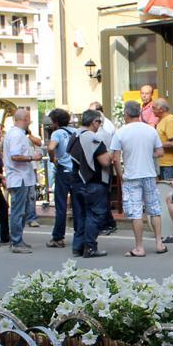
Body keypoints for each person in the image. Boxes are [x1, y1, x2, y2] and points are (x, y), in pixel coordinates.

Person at [111, 100, 166, 257]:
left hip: (132, 175)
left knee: (136, 212)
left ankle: (139, 247)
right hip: (149, 173)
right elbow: (160, 152)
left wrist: (121, 175)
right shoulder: (150, 130)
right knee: (154, 209)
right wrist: (148, 155)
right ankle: (159, 243)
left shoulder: (121, 132)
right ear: (140, 112)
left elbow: (115, 158)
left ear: (126, 114)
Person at [67, 110, 112, 258]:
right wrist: (111, 156)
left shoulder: (74, 135)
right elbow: (104, 161)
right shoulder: (93, 138)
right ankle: (90, 247)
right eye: (99, 122)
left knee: (80, 215)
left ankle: (78, 246)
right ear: (94, 122)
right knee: (94, 215)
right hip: (93, 182)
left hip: (76, 181)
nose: (100, 125)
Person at [4, 108, 41, 253]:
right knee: (18, 212)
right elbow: (15, 156)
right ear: (24, 119)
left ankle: (17, 240)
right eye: (29, 119)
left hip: (22, 177)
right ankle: (16, 242)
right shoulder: (16, 135)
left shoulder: (17, 134)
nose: (29, 122)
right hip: (19, 177)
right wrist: (33, 157)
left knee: (21, 211)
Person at [46, 108, 78, 248]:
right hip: (76, 171)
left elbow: (51, 147)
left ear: (56, 122)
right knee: (77, 205)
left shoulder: (57, 133)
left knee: (61, 205)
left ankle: (58, 237)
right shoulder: (75, 132)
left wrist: (54, 159)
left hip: (63, 170)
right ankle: (79, 234)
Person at [89, 102, 117, 235]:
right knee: (104, 195)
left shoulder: (98, 135)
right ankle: (109, 222)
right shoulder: (105, 132)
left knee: (102, 197)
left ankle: (106, 223)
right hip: (106, 167)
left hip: (101, 169)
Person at [153, 99, 173, 180]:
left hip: (169, 164)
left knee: (167, 189)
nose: (152, 110)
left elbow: (172, 143)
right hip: (163, 162)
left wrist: (155, 145)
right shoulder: (161, 120)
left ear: (161, 109)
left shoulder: (170, 120)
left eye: (154, 108)